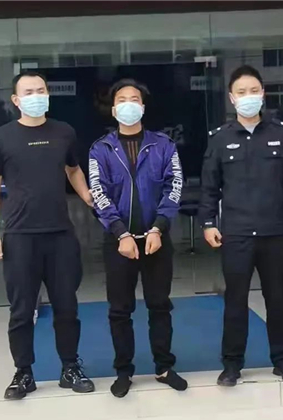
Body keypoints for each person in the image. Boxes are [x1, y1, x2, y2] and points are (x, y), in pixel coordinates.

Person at [0, 71, 95, 400]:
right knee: (21, 311)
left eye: (41, 90)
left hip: (60, 234)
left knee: (66, 306)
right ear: (16, 100)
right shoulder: (1, 137)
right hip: (19, 235)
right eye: (29, 92)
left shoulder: (64, 132)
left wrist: (88, 197)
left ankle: (70, 367)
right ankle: (24, 373)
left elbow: (73, 169)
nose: (36, 96)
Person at [198, 65, 283, 387]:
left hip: (274, 232)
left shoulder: (282, 134)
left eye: (254, 91)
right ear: (232, 98)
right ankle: (232, 365)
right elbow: (209, 187)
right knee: (235, 301)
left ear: (263, 94)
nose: (248, 97)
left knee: (277, 300)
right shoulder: (220, 139)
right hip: (236, 234)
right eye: (242, 92)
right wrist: (208, 223)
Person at [88, 79, 188, 398]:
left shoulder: (163, 145)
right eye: (122, 99)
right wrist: (120, 233)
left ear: (142, 107)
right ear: (114, 109)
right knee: (120, 310)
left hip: (156, 239)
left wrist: (159, 227)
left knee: (160, 306)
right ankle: (124, 371)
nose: (129, 104)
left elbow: (174, 186)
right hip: (119, 242)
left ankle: (164, 367)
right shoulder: (101, 149)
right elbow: (98, 193)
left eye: (135, 99)